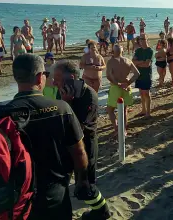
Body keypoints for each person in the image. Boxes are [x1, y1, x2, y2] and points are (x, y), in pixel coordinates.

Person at [0, 54, 89, 220]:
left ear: (16, 77)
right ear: (40, 77)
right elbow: (79, 152)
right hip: (55, 194)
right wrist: (81, 182)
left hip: (15, 198)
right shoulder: (61, 108)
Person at [53, 60, 111, 220]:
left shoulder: (89, 95)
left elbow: (78, 128)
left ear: (71, 77)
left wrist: (67, 103)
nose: (53, 82)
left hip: (84, 148)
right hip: (66, 147)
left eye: (57, 79)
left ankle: (102, 211)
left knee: (85, 187)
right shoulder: (63, 90)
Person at [106, 45, 140, 135]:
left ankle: (117, 128)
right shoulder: (128, 60)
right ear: (122, 51)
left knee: (110, 109)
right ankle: (124, 130)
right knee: (124, 110)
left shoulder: (111, 62)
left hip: (116, 87)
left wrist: (117, 84)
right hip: (126, 87)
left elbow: (109, 76)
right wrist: (128, 83)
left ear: (113, 51)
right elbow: (137, 74)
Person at [133, 34, 154, 117]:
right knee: (141, 93)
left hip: (146, 75)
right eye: (140, 39)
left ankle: (148, 112)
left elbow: (147, 65)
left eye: (143, 39)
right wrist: (142, 62)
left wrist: (138, 63)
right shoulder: (138, 51)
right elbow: (133, 62)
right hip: (139, 74)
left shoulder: (150, 51)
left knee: (146, 93)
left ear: (147, 39)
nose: (141, 41)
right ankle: (143, 110)